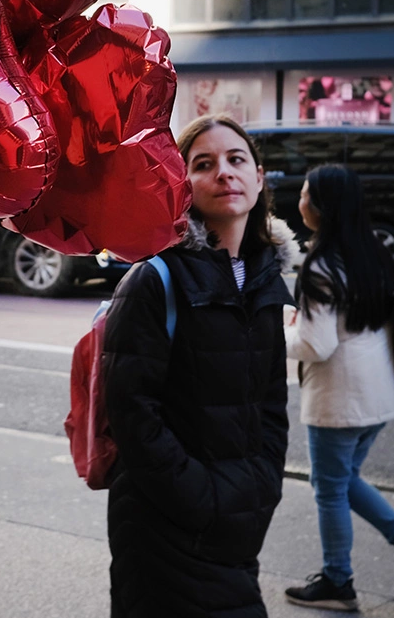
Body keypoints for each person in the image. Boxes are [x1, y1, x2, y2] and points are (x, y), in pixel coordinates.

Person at [103, 114, 299, 617]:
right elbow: (131, 411)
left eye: (237, 160)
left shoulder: (265, 281)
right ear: (181, 183)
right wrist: (201, 499)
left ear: (259, 177)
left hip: (238, 523)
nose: (224, 173)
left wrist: (263, 484)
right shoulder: (155, 277)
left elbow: (270, 404)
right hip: (164, 526)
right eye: (203, 164)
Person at [283, 164, 394, 610]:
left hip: (340, 399)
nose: (299, 201)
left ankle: (340, 580)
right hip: (380, 395)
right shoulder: (372, 253)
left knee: (330, 487)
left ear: (321, 206)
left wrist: (279, 332)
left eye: (304, 194)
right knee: (342, 479)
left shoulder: (320, 266)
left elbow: (317, 344)